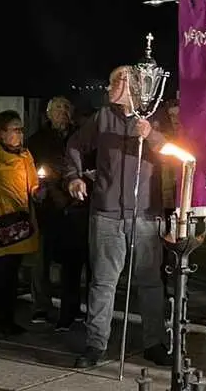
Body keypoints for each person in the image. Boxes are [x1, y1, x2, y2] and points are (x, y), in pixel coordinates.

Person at [65, 66, 170, 369]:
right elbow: (74, 145)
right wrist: (74, 177)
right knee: (103, 282)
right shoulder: (103, 116)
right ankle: (96, 344)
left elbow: (173, 152)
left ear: (128, 85)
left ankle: (155, 342)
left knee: (150, 282)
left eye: (113, 82)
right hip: (107, 213)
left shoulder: (155, 115)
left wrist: (151, 134)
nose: (108, 88)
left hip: (146, 214)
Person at [0, 111, 44, 338]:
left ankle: (7, 320)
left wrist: (38, 192)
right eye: (15, 129)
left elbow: (32, 184)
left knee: (11, 277)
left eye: (21, 129)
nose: (20, 133)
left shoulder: (25, 157)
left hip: (20, 227)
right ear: (1, 133)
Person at [26, 96, 75, 325]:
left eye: (66, 108)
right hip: (46, 208)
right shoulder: (37, 140)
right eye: (57, 108)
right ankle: (41, 306)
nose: (62, 112)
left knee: (72, 261)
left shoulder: (78, 136)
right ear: (48, 113)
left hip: (74, 206)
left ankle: (71, 307)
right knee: (41, 260)